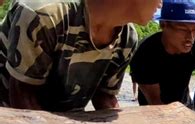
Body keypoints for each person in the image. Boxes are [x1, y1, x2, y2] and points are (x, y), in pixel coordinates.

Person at [0, 0, 162, 111]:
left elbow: (104, 98)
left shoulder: (127, 38)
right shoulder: (45, 14)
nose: (161, 3)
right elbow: (22, 97)